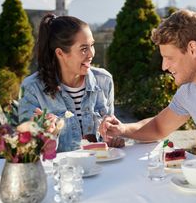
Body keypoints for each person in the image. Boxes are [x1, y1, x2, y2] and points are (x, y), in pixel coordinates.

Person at [99, 9, 196, 177]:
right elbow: (158, 127)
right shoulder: (188, 93)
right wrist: (122, 129)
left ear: (192, 49)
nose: (164, 66)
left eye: (169, 57)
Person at [19, 14, 123, 152]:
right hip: (60, 171)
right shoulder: (32, 89)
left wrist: (112, 138)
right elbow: (27, 150)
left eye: (92, 45)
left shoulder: (104, 80)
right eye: (84, 48)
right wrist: (47, 135)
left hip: (99, 168)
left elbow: (107, 138)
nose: (91, 53)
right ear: (60, 53)